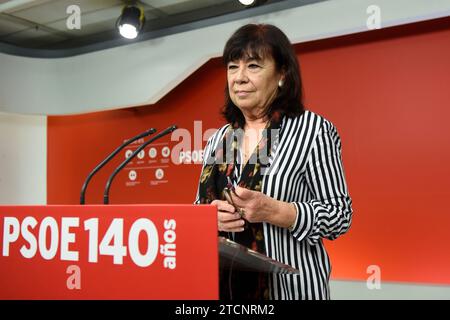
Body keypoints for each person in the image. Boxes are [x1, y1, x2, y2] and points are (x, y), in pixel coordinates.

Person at [194, 24, 353, 300]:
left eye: (253, 66)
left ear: (282, 75)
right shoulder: (220, 138)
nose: (239, 78)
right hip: (225, 291)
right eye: (233, 67)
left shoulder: (313, 130)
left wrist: (275, 211)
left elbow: (339, 215)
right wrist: (209, 217)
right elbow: (198, 208)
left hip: (291, 292)